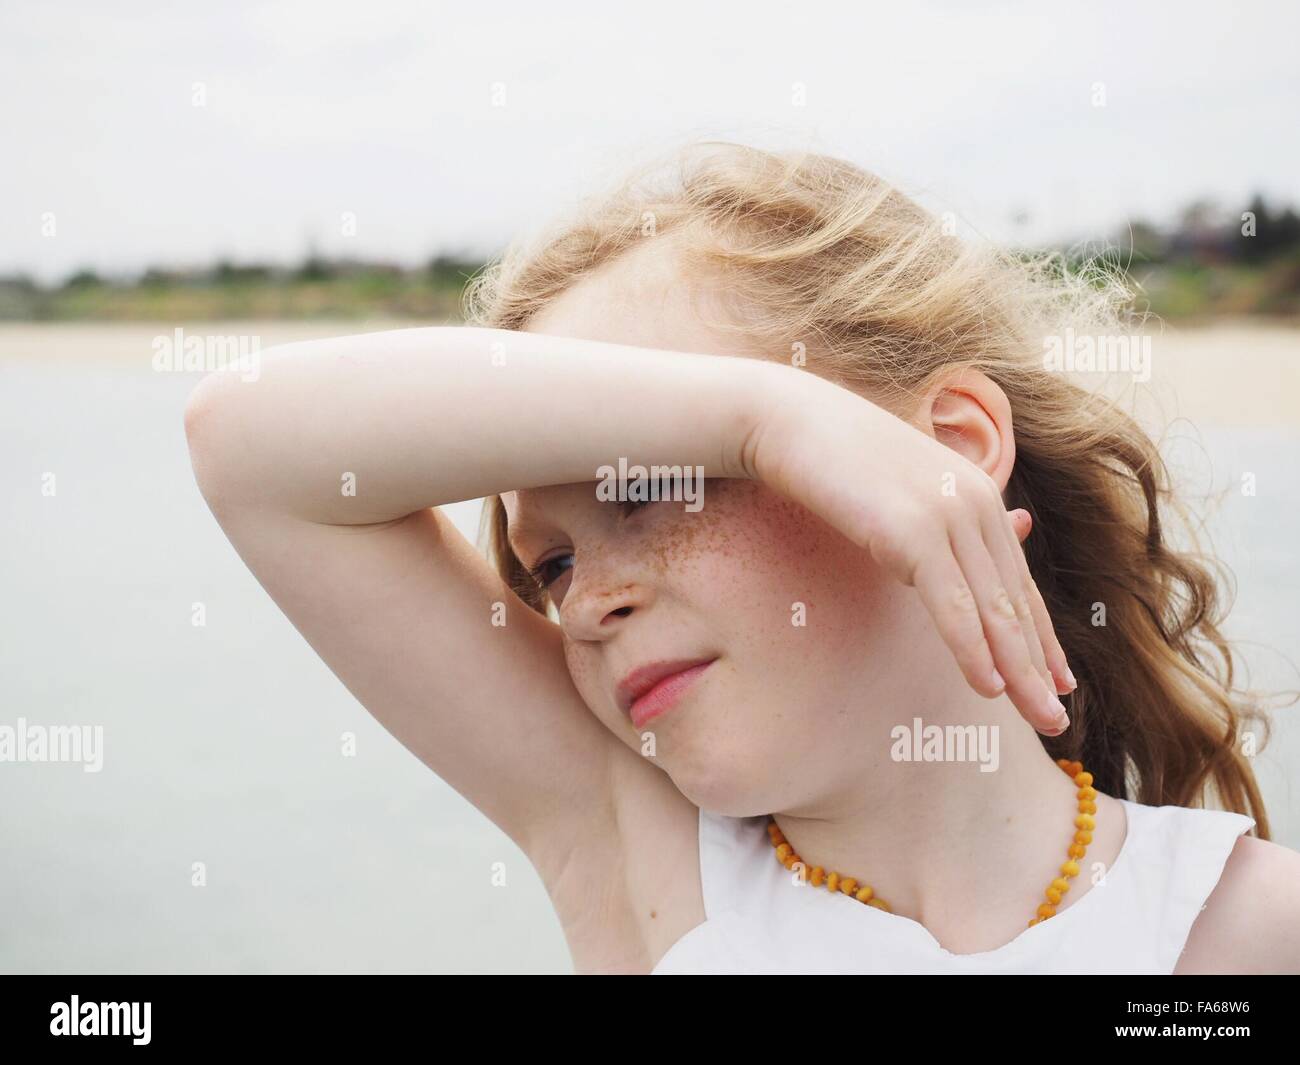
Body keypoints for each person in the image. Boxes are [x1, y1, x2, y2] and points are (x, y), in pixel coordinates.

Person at [184, 141, 1300, 974]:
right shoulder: (645, 859)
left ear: (947, 452)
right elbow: (250, 452)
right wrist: (761, 417)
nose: (585, 608)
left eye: (659, 480)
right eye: (553, 564)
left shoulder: (1235, 929)